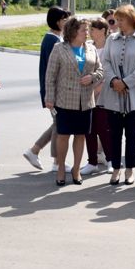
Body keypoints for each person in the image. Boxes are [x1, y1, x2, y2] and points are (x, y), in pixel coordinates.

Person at [44, 17, 104, 186]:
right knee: (63, 136)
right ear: (73, 31)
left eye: (88, 30)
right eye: (84, 30)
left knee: (81, 136)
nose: (87, 33)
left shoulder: (91, 48)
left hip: (85, 101)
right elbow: (50, 76)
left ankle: (76, 169)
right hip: (64, 100)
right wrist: (49, 98)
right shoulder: (59, 49)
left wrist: (92, 77)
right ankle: (61, 168)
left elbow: (100, 70)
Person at [99, 5, 135, 186]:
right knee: (114, 134)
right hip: (113, 92)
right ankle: (115, 168)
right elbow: (104, 62)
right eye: (116, 20)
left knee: (132, 135)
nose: (117, 23)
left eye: (121, 20)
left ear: (131, 20)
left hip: (134, 94)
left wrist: (125, 82)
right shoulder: (111, 39)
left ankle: (129, 169)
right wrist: (114, 80)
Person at [23, 6, 71, 171]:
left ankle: (37, 152)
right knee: (60, 125)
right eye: (65, 19)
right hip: (55, 90)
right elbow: (55, 69)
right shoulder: (52, 40)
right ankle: (55, 161)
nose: (67, 22)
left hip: (55, 90)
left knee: (58, 124)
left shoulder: (54, 38)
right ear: (57, 21)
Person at [80, 17, 113, 176]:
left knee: (104, 128)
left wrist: (98, 88)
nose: (90, 33)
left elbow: (109, 71)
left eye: (92, 29)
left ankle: (111, 160)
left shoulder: (109, 48)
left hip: (105, 95)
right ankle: (92, 161)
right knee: (89, 129)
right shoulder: (87, 47)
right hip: (88, 94)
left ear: (102, 31)